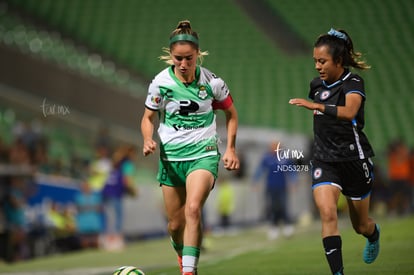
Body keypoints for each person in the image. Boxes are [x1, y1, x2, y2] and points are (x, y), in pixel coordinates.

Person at [140, 20, 239, 275]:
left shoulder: (212, 83)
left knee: (193, 209)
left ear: (198, 55)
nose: (183, 64)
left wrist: (230, 149)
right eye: (178, 59)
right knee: (175, 224)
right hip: (171, 159)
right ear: (171, 56)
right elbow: (148, 117)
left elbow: (232, 114)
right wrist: (147, 139)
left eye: (189, 58)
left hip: (203, 154)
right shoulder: (160, 83)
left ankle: (189, 271)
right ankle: (181, 254)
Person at [289, 28, 380, 274]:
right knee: (328, 213)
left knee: (360, 226)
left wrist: (316, 105)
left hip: (353, 159)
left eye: (322, 61)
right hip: (324, 160)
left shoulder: (353, 83)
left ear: (338, 61)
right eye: (315, 61)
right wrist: (316, 103)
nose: (317, 66)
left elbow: (350, 112)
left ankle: (373, 235)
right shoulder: (316, 85)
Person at [252, 141, 295, 240]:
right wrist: (255, 181)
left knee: (283, 206)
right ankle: (274, 227)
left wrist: (293, 182)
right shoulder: (267, 158)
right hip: (271, 187)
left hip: (282, 186)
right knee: (273, 207)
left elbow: (292, 170)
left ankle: (287, 226)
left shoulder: (284, 158)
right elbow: (260, 170)